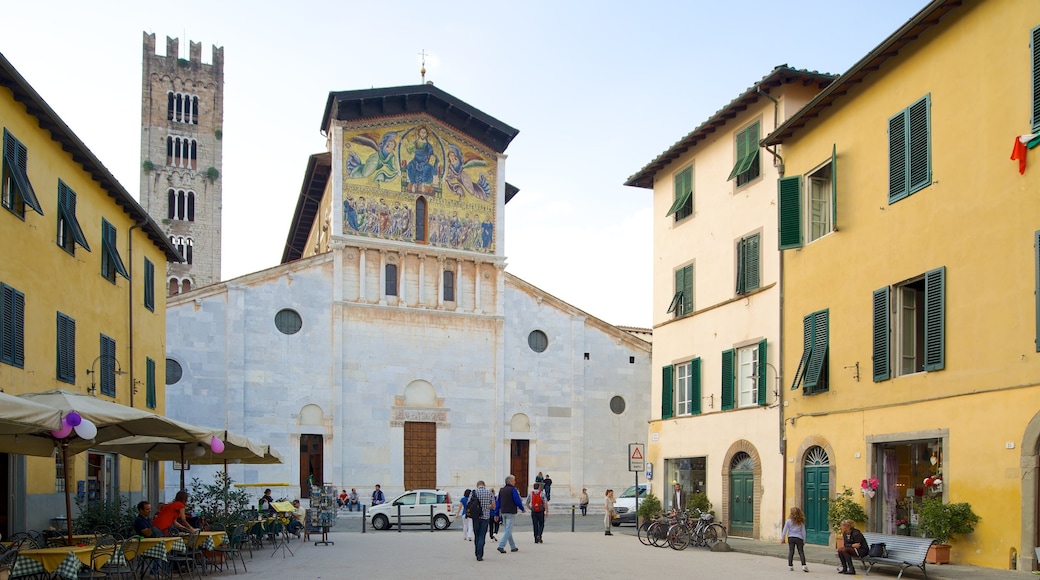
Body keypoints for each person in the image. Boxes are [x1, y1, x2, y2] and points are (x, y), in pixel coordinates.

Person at [496, 475, 525, 553]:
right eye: (514, 480)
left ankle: (513, 546)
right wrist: (522, 508)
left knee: (507, 529)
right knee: (508, 529)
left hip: (503, 511)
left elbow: (498, 502)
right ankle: (501, 545)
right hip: (511, 511)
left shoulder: (501, 490)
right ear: (510, 481)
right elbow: (517, 500)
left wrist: (496, 513)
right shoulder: (513, 490)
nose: (515, 482)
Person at [470, 480, 496, 562]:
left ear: (477, 485)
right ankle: (480, 554)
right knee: (482, 535)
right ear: (484, 485)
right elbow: (494, 506)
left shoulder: (474, 492)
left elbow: (469, 503)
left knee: (476, 535)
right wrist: (487, 507)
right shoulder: (489, 493)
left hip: (476, 516)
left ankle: (476, 551)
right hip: (485, 517)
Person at [780, 506, 810, 572]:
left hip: (791, 537)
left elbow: (784, 530)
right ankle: (804, 565)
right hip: (799, 538)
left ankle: (790, 566)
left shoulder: (788, 521)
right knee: (801, 552)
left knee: (791, 551)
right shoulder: (801, 522)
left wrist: (782, 538)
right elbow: (803, 532)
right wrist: (804, 540)